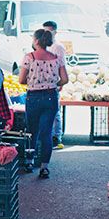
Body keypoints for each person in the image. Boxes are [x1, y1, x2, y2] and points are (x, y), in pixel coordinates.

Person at [19, 29, 69, 179]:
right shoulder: (56, 58)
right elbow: (65, 79)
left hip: (33, 97)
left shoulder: (29, 58)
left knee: (32, 131)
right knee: (46, 132)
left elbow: (21, 80)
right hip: (51, 97)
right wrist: (53, 83)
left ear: (36, 41)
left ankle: (29, 161)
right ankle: (44, 168)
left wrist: (35, 82)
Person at [42, 21, 66, 149]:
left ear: (55, 32)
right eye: (44, 31)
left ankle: (57, 138)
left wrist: (60, 82)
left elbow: (62, 66)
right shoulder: (41, 46)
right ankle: (48, 137)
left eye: (49, 32)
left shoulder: (58, 47)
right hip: (42, 85)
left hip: (53, 83)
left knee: (55, 111)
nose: (46, 34)